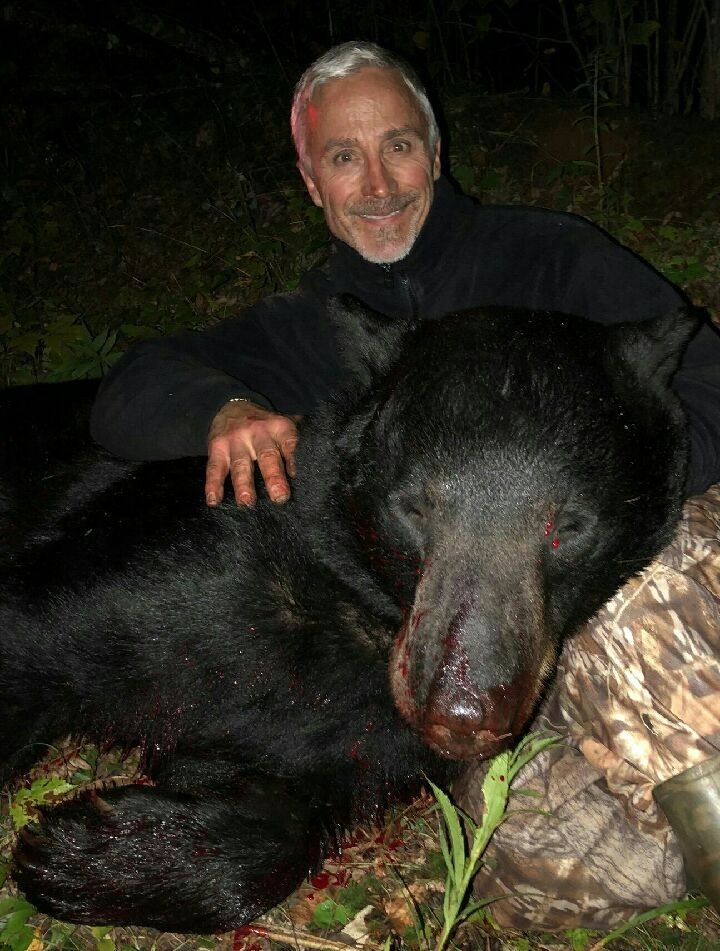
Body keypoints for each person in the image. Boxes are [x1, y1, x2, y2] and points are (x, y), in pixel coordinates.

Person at [91, 42, 720, 930]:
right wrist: (221, 408)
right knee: (545, 875)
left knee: (654, 606)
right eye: (345, 157)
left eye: (398, 146)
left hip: (600, 568)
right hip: (478, 622)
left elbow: (702, 378)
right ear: (312, 181)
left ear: (436, 150)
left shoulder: (550, 258)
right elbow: (127, 390)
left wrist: (615, 488)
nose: (379, 184)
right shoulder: (317, 329)